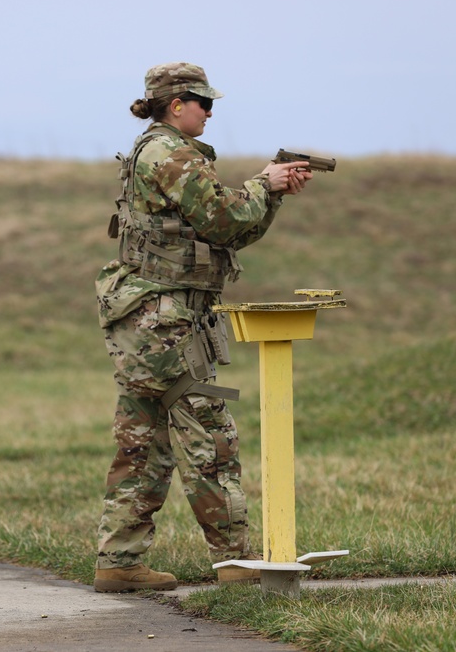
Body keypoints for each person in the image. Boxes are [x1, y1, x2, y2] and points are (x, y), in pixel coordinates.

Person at [92, 62, 313, 592]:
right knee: (211, 439)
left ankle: (119, 562)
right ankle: (236, 563)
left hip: (146, 320)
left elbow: (226, 236)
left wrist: (271, 192)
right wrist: (264, 183)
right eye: (204, 103)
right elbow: (225, 221)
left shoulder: (156, 150)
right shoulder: (173, 154)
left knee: (141, 443)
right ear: (176, 104)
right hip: (169, 323)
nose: (210, 112)